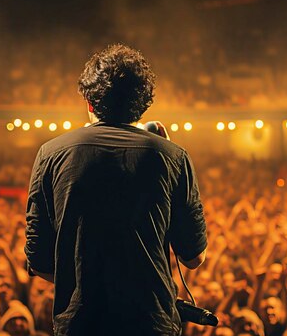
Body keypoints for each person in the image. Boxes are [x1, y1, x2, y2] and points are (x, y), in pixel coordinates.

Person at [25, 44, 208, 336]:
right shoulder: (172, 157)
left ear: (88, 101)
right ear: (143, 104)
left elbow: (40, 262)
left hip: (82, 325)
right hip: (151, 324)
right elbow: (193, 257)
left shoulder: (50, 154)